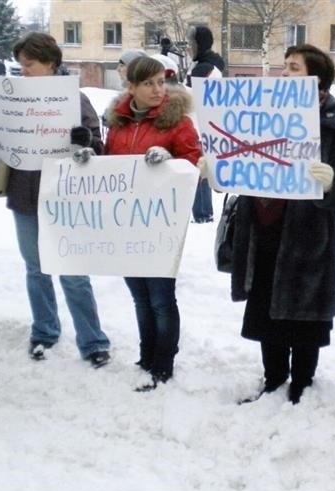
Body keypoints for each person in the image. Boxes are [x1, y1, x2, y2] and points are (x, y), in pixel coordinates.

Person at [203, 43, 335, 405]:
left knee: (303, 316)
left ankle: (302, 383)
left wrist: (332, 182)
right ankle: (274, 377)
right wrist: (218, 171)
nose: (284, 73)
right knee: (264, 309)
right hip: (261, 229)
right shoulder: (260, 108)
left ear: (316, 81)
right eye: (284, 66)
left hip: (307, 238)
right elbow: (239, 157)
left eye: (293, 67)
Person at [0, 32, 111, 367]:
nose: (24, 71)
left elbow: (98, 152)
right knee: (36, 270)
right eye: (21, 66)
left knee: (73, 273)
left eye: (29, 64)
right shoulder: (14, 98)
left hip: (65, 199)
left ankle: (92, 341)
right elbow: (3, 144)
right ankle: (45, 332)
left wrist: (83, 142)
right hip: (24, 196)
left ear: (51, 62)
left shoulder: (74, 100)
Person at [102, 56, 202, 391]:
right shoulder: (117, 123)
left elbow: (194, 166)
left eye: (161, 81)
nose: (158, 89)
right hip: (126, 223)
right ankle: (146, 356)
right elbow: (108, 168)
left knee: (160, 297)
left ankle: (163, 363)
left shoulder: (178, 122)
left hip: (161, 224)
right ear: (131, 87)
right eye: (148, 83)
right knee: (140, 296)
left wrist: (171, 161)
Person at [185, 26, 225, 224]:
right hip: (199, 124)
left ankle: (202, 214)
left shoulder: (205, 68)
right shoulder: (204, 65)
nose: (188, 48)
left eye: (191, 44)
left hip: (199, 126)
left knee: (198, 170)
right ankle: (202, 213)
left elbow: (190, 97)